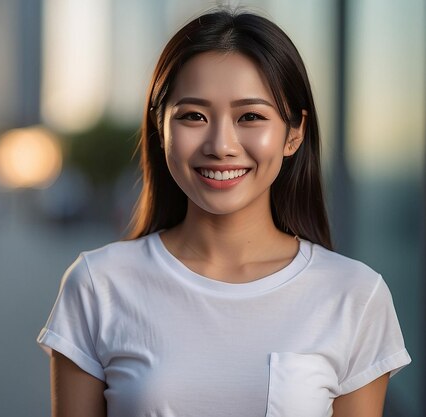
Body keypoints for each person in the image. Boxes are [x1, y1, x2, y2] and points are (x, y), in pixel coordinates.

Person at [37, 8, 411, 417]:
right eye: (193, 116)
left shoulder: (354, 295)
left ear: (294, 133)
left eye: (250, 116)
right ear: (160, 126)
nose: (221, 144)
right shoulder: (98, 285)